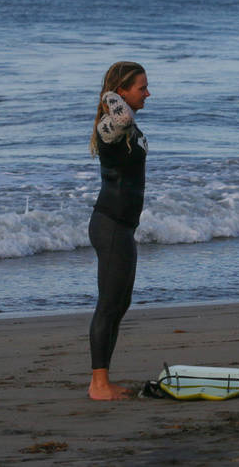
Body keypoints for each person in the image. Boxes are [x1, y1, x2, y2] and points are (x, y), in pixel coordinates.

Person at [87, 61, 150, 400]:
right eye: (141, 87)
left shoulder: (125, 128)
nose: (148, 93)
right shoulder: (109, 127)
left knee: (120, 304)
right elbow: (122, 117)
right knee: (109, 305)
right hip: (109, 225)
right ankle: (98, 384)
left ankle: (102, 379)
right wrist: (111, 92)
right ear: (122, 92)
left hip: (123, 228)